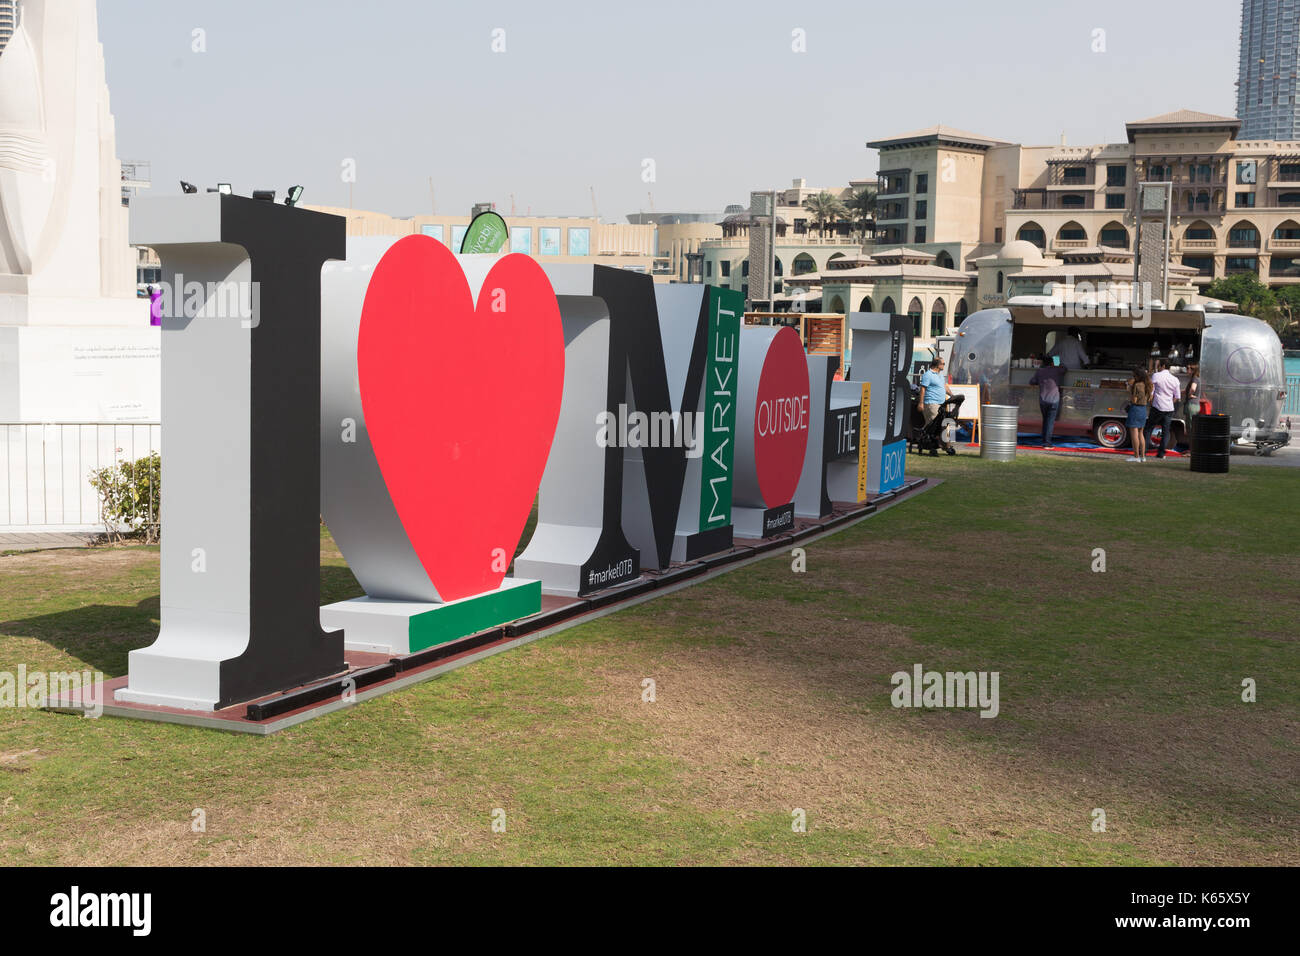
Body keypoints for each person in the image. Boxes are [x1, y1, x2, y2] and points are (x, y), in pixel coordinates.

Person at [1028, 355, 1066, 449]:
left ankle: (1044, 441)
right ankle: (1047, 443)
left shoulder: (1040, 371)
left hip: (1043, 400)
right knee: (1049, 422)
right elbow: (1065, 368)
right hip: (1054, 400)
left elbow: (1032, 381)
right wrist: (1057, 360)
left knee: (1046, 421)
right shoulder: (1057, 370)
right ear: (1053, 363)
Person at [1145, 359, 1180, 459]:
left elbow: (1151, 392)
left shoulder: (1156, 376)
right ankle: (1161, 453)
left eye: (1159, 366)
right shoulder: (1175, 379)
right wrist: (1169, 402)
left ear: (1163, 366)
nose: (1158, 368)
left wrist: (1151, 401)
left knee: (1149, 428)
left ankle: (1144, 450)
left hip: (1157, 406)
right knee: (1166, 431)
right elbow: (1177, 396)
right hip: (1169, 408)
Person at [917, 357, 953, 454]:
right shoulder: (928, 375)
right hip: (931, 404)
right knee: (933, 426)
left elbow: (944, 387)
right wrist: (921, 403)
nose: (944, 365)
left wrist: (952, 395)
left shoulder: (940, 375)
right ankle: (931, 446)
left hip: (941, 404)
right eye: (943, 364)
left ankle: (947, 447)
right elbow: (923, 389)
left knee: (943, 425)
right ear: (938, 365)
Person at [1125, 367, 1153, 462]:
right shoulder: (1148, 385)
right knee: (1141, 434)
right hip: (1143, 410)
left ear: (1138, 376)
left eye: (1134, 375)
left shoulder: (1137, 385)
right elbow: (1150, 399)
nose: (1133, 377)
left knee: (1134, 435)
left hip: (1135, 409)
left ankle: (1136, 456)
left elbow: (1134, 400)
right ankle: (1143, 457)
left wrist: (1129, 388)